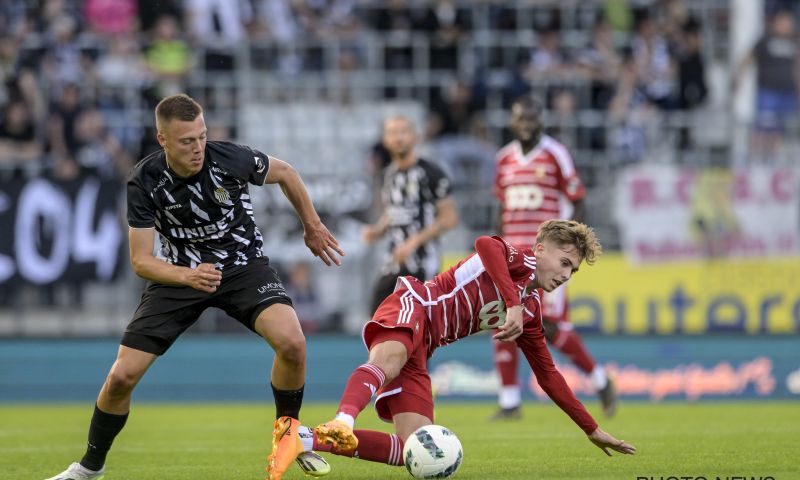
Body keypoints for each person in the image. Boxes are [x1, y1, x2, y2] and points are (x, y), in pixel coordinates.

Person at [44, 94, 344, 480]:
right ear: (162, 139)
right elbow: (141, 261)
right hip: (179, 276)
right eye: (187, 141)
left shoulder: (229, 157)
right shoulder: (144, 180)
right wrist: (188, 275)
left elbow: (286, 172)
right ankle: (89, 468)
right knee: (121, 377)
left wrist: (311, 225)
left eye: (201, 136)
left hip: (242, 267)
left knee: (293, 343)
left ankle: (287, 436)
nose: (198, 147)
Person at [305, 220, 635, 468]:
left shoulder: (532, 310)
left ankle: (304, 439)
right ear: (541, 249)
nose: (566, 275)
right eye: (565, 263)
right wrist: (514, 304)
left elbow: (548, 375)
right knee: (388, 360)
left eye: (573, 271)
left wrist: (590, 429)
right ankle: (342, 422)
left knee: (411, 448)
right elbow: (485, 244)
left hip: (426, 345)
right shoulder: (520, 259)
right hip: (415, 303)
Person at [491, 96, 616, 421]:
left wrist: (569, 248)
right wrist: (497, 245)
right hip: (512, 258)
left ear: (541, 120)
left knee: (551, 326)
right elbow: (500, 208)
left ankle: (600, 380)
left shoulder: (555, 153)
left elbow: (578, 200)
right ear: (513, 122)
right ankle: (509, 402)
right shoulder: (503, 159)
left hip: (545, 259)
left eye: (532, 119)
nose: (527, 125)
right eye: (521, 119)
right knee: (505, 318)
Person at [361, 115, 459, 315]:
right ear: (385, 140)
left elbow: (449, 218)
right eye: (393, 133)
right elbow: (394, 212)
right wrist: (377, 230)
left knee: (421, 324)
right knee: (376, 319)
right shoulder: (388, 175)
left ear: (415, 137)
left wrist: (414, 242)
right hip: (394, 261)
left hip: (423, 263)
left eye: (404, 132)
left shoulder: (431, 173)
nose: (399, 138)